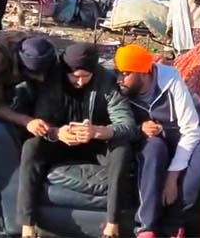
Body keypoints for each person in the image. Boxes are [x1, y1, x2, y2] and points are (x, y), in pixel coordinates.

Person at [17, 44, 137, 238]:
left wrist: (98, 131)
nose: (80, 82)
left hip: (96, 143)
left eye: (85, 77)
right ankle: (27, 226)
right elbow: (41, 117)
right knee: (31, 146)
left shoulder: (106, 81)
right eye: (75, 77)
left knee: (121, 149)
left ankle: (112, 223)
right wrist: (56, 133)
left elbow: (127, 125)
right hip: (61, 142)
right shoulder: (52, 79)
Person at [116, 44, 200, 238]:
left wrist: (171, 177)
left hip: (185, 136)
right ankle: (146, 228)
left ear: (144, 74)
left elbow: (191, 129)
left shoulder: (170, 80)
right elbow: (117, 122)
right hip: (154, 140)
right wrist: (140, 127)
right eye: (118, 72)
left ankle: (173, 227)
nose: (119, 79)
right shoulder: (121, 88)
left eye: (125, 74)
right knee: (153, 147)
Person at [0, 32, 59, 222]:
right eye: (36, 75)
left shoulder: (45, 50)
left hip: (14, 77)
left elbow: (49, 87)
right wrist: (27, 121)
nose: (41, 78)